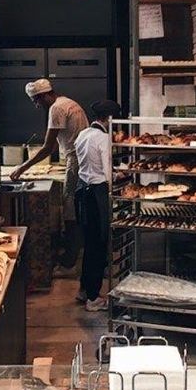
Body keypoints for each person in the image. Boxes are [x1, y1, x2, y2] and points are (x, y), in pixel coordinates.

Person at [10, 79, 88, 266]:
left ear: (45, 95)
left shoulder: (56, 108)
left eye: (37, 101)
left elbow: (48, 147)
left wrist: (22, 168)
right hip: (83, 157)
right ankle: (73, 248)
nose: (37, 105)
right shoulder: (69, 102)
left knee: (69, 204)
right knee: (76, 203)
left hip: (75, 159)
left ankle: (70, 257)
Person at [74, 100, 122, 311]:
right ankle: (93, 298)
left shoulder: (83, 134)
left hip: (82, 192)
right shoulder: (103, 138)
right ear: (109, 119)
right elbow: (108, 173)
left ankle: (84, 290)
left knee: (89, 243)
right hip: (97, 195)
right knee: (99, 246)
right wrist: (122, 174)